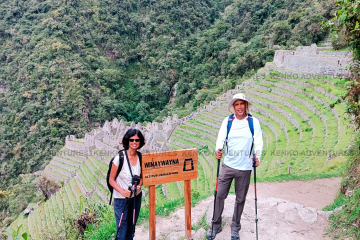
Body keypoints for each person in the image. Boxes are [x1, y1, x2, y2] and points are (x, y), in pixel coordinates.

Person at [207, 93, 263, 240]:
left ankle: (235, 227)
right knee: (219, 195)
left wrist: (257, 156)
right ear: (233, 107)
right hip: (228, 165)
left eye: (242, 104)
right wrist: (218, 150)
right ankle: (216, 224)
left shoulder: (253, 122)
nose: (239, 107)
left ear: (246, 105)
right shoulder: (228, 121)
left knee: (240, 199)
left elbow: (258, 141)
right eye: (237, 104)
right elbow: (221, 138)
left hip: (245, 167)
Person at [109, 128, 145, 240]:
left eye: (137, 140)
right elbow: (111, 179)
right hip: (121, 199)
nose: (134, 142)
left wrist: (139, 186)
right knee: (122, 231)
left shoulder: (140, 157)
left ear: (140, 142)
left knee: (131, 229)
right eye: (132, 140)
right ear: (127, 141)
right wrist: (122, 191)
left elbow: (142, 177)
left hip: (135, 198)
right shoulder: (119, 158)